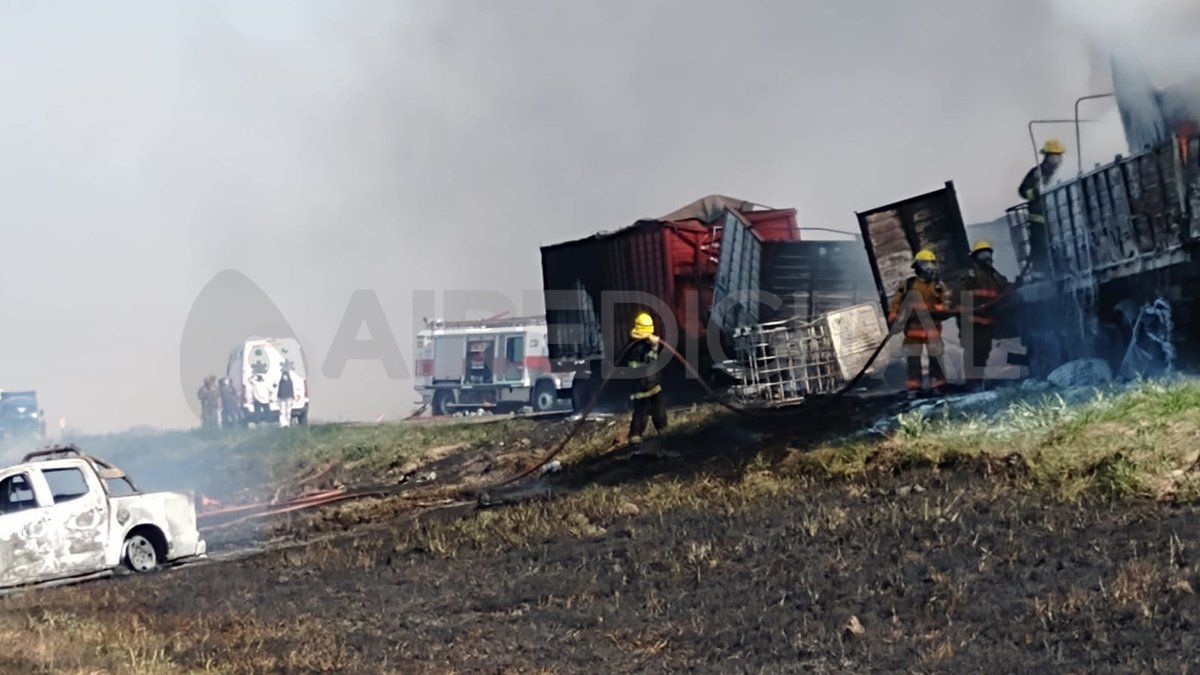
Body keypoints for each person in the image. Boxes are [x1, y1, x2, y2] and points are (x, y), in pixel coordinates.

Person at [888, 249, 949, 396]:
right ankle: (914, 389)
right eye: (926, 264)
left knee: (936, 358)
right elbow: (896, 303)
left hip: (932, 330)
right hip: (913, 330)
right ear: (918, 266)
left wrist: (941, 308)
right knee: (913, 361)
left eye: (931, 264)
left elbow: (946, 304)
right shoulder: (908, 285)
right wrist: (893, 317)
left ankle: (938, 386)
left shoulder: (938, 285)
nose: (929, 268)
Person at [959, 240, 1011, 388]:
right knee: (974, 353)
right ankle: (973, 385)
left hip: (986, 319)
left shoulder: (993, 273)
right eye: (982, 254)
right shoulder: (970, 275)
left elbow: (1003, 286)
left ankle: (978, 383)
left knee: (983, 351)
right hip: (974, 321)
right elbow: (963, 298)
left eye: (988, 253)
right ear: (975, 257)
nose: (987, 257)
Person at [1018, 139, 1066, 270]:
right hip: (1039, 220)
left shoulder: (1062, 172)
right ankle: (1042, 273)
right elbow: (1023, 191)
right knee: (1042, 248)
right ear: (1048, 156)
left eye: (1060, 155)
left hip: (1057, 219)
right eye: (1056, 155)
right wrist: (1037, 191)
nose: (1059, 158)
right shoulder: (1037, 173)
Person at [623, 312, 667, 444]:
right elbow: (647, 364)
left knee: (659, 410)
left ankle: (663, 430)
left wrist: (654, 346)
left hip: (653, 384)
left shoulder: (644, 344)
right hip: (641, 387)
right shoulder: (636, 348)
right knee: (641, 412)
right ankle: (635, 435)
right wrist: (654, 347)